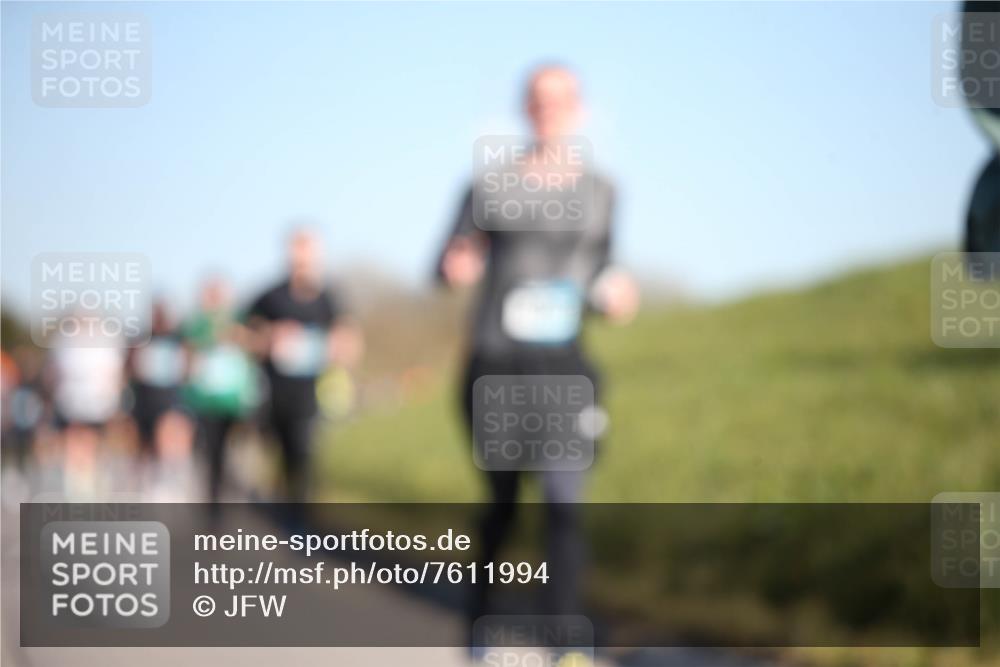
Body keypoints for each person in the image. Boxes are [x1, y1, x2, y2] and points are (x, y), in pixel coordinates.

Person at [435, 64, 639, 654]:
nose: (549, 109)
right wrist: (455, 267)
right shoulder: (488, 186)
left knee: (563, 500)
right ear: (525, 108)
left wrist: (615, 290)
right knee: (502, 505)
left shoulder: (602, 192)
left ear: (580, 108)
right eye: (538, 99)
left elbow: (601, 267)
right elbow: (446, 261)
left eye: (561, 99)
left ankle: (561, 638)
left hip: (565, 365)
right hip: (497, 363)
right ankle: (478, 623)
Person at [245, 228, 362, 505]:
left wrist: (339, 346)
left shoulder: (330, 299)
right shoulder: (268, 297)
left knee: (304, 452)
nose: (303, 261)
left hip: (314, 390)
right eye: (297, 253)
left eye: (309, 254)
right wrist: (270, 337)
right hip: (274, 391)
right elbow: (244, 337)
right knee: (279, 448)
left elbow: (351, 342)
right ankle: (282, 497)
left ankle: (301, 514)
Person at [182, 275, 260, 503]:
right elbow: (187, 355)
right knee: (211, 453)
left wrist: (237, 336)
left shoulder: (239, 319)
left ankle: (237, 492)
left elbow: (255, 344)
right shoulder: (196, 323)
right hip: (205, 401)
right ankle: (212, 503)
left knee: (235, 452)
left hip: (234, 402)